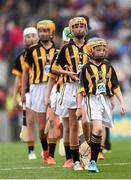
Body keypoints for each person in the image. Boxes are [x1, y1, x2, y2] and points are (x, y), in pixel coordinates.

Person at [76, 37, 126, 173]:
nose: (102, 52)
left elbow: (115, 86)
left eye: (104, 49)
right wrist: (79, 107)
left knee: (99, 130)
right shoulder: (86, 69)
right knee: (98, 129)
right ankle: (92, 161)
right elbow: (80, 90)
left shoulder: (108, 66)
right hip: (91, 99)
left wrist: (121, 102)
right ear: (91, 51)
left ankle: (87, 155)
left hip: (105, 100)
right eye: (98, 50)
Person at [52, 16, 90, 170]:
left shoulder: (91, 46)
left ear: (86, 29)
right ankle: (75, 161)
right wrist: (68, 73)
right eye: (76, 26)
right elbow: (54, 68)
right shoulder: (66, 49)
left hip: (88, 89)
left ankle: (86, 156)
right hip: (71, 88)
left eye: (82, 26)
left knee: (88, 123)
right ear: (71, 30)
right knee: (74, 125)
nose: (79, 29)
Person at [21, 20, 58, 164]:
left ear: (52, 33)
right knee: (42, 127)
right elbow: (25, 72)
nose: (43, 33)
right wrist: (24, 92)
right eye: (40, 31)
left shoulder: (58, 51)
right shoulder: (31, 51)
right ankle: (45, 151)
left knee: (53, 121)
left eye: (45, 31)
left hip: (53, 87)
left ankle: (52, 157)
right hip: (36, 88)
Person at [12, 27, 39, 159]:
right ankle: (31, 150)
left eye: (33, 35)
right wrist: (14, 96)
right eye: (28, 36)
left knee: (45, 121)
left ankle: (47, 150)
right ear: (24, 39)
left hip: (42, 90)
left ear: (38, 37)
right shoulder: (20, 58)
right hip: (27, 91)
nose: (31, 38)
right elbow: (18, 78)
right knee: (29, 120)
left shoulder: (45, 53)